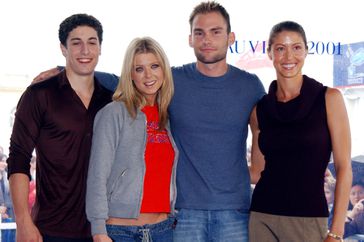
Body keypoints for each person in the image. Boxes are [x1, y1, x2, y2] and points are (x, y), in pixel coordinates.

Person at [32, 2, 266, 241]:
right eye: (199, 33)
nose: (207, 39)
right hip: (183, 213)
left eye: (216, 31)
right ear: (190, 39)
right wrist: (64, 70)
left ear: (231, 37)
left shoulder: (250, 85)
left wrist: (253, 172)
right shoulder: (174, 79)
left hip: (232, 211)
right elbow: (127, 78)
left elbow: (267, 130)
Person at [6, 13, 112, 242]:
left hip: (103, 231)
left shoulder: (111, 101)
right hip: (50, 230)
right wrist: (23, 222)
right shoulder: (39, 95)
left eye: (92, 42)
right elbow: (18, 158)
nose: (85, 51)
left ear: (100, 48)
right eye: (76, 43)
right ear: (63, 48)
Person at [248, 21, 352, 242]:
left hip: (309, 218)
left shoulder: (329, 99)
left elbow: (344, 168)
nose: (288, 56)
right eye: (280, 48)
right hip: (262, 215)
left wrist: (337, 231)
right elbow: (257, 172)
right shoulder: (260, 110)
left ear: (306, 50)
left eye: (296, 47)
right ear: (270, 53)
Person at [86, 36, 178, 242]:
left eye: (154, 66)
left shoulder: (169, 116)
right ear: (130, 75)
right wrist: (98, 230)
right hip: (121, 232)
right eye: (139, 69)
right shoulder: (114, 113)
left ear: (164, 69)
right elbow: (97, 175)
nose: (148, 75)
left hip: (163, 230)